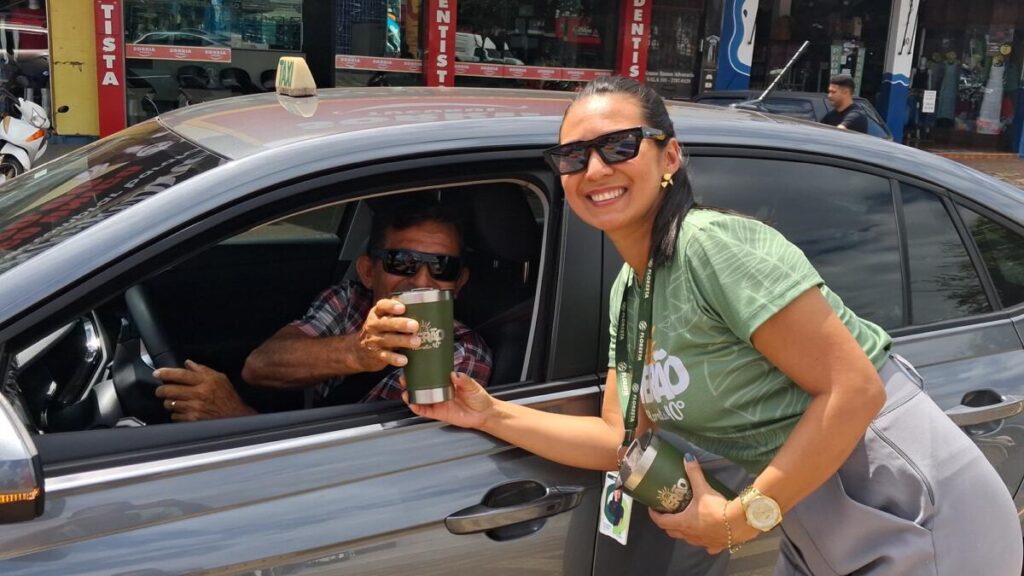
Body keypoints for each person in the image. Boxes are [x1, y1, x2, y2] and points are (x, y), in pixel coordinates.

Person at [408, 76, 1023, 574]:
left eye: (619, 146)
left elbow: (854, 388)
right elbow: (621, 439)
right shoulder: (631, 290)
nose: (594, 169)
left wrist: (738, 519)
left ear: (670, 156)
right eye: (573, 155)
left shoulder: (711, 246)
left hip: (905, 502)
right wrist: (488, 413)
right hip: (812, 513)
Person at [154, 201, 492, 421]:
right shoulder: (349, 302)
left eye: (442, 267)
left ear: (458, 283)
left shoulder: (462, 354)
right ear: (367, 271)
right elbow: (260, 366)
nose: (421, 280)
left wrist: (235, 418)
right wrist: (358, 351)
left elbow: (369, 462)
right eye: (402, 262)